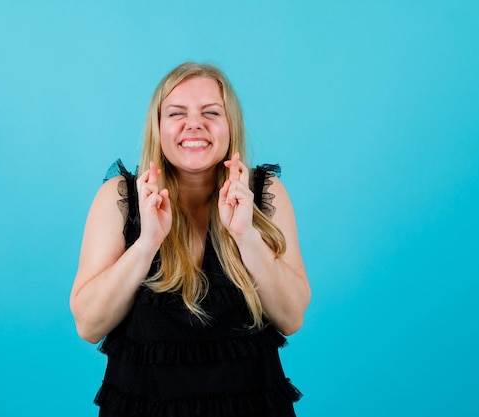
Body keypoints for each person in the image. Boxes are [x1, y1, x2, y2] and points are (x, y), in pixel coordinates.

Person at [69, 62, 311, 417]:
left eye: (211, 112)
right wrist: (147, 242)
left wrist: (246, 235)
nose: (194, 124)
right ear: (158, 127)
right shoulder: (119, 197)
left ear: (231, 126)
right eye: (176, 113)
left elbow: (291, 317)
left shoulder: (264, 193)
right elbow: (89, 325)